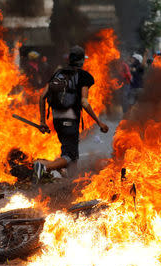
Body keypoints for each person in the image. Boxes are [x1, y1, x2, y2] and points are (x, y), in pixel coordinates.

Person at [36, 45, 109, 181]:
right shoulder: (83, 76)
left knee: (70, 155)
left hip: (57, 120)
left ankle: (70, 182)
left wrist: (42, 121)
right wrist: (99, 122)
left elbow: (42, 97)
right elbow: (84, 102)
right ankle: (45, 167)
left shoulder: (58, 74)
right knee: (70, 156)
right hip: (70, 120)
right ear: (82, 61)